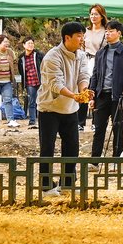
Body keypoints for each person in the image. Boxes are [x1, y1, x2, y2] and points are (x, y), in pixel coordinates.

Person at [38, 22, 88, 195]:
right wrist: (74, 95)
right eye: (79, 35)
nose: (82, 39)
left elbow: (83, 75)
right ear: (67, 38)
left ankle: (66, 183)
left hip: (70, 108)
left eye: (83, 35)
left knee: (72, 147)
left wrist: (83, 91)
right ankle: (46, 187)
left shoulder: (82, 55)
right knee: (47, 148)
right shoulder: (52, 56)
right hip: (49, 108)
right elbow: (55, 84)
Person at [89, 19, 123, 157]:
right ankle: (95, 160)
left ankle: (117, 159)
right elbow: (95, 75)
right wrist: (92, 94)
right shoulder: (101, 53)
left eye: (111, 31)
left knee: (117, 128)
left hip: (118, 96)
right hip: (101, 95)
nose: (107, 33)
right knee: (98, 128)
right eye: (106, 31)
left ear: (119, 33)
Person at [81, 3, 107, 129]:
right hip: (86, 61)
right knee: (84, 88)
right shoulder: (86, 31)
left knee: (96, 90)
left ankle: (95, 121)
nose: (93, 16)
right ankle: (80, 122)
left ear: (102, 16)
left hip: (100, 62)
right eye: (91, 14)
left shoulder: (105, 31)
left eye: (96, 14)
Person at [18, 37, 45, 128]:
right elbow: (21, 71)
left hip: (40, 81)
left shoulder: (39, 55)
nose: (31, 45)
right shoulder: (21, 58)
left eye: (32, 43)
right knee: (32, 101)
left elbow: (45, 65)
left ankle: (42, 120)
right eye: (29, 43)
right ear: (24, 45)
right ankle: (32, 120)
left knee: (41, 101)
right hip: (29, 82)